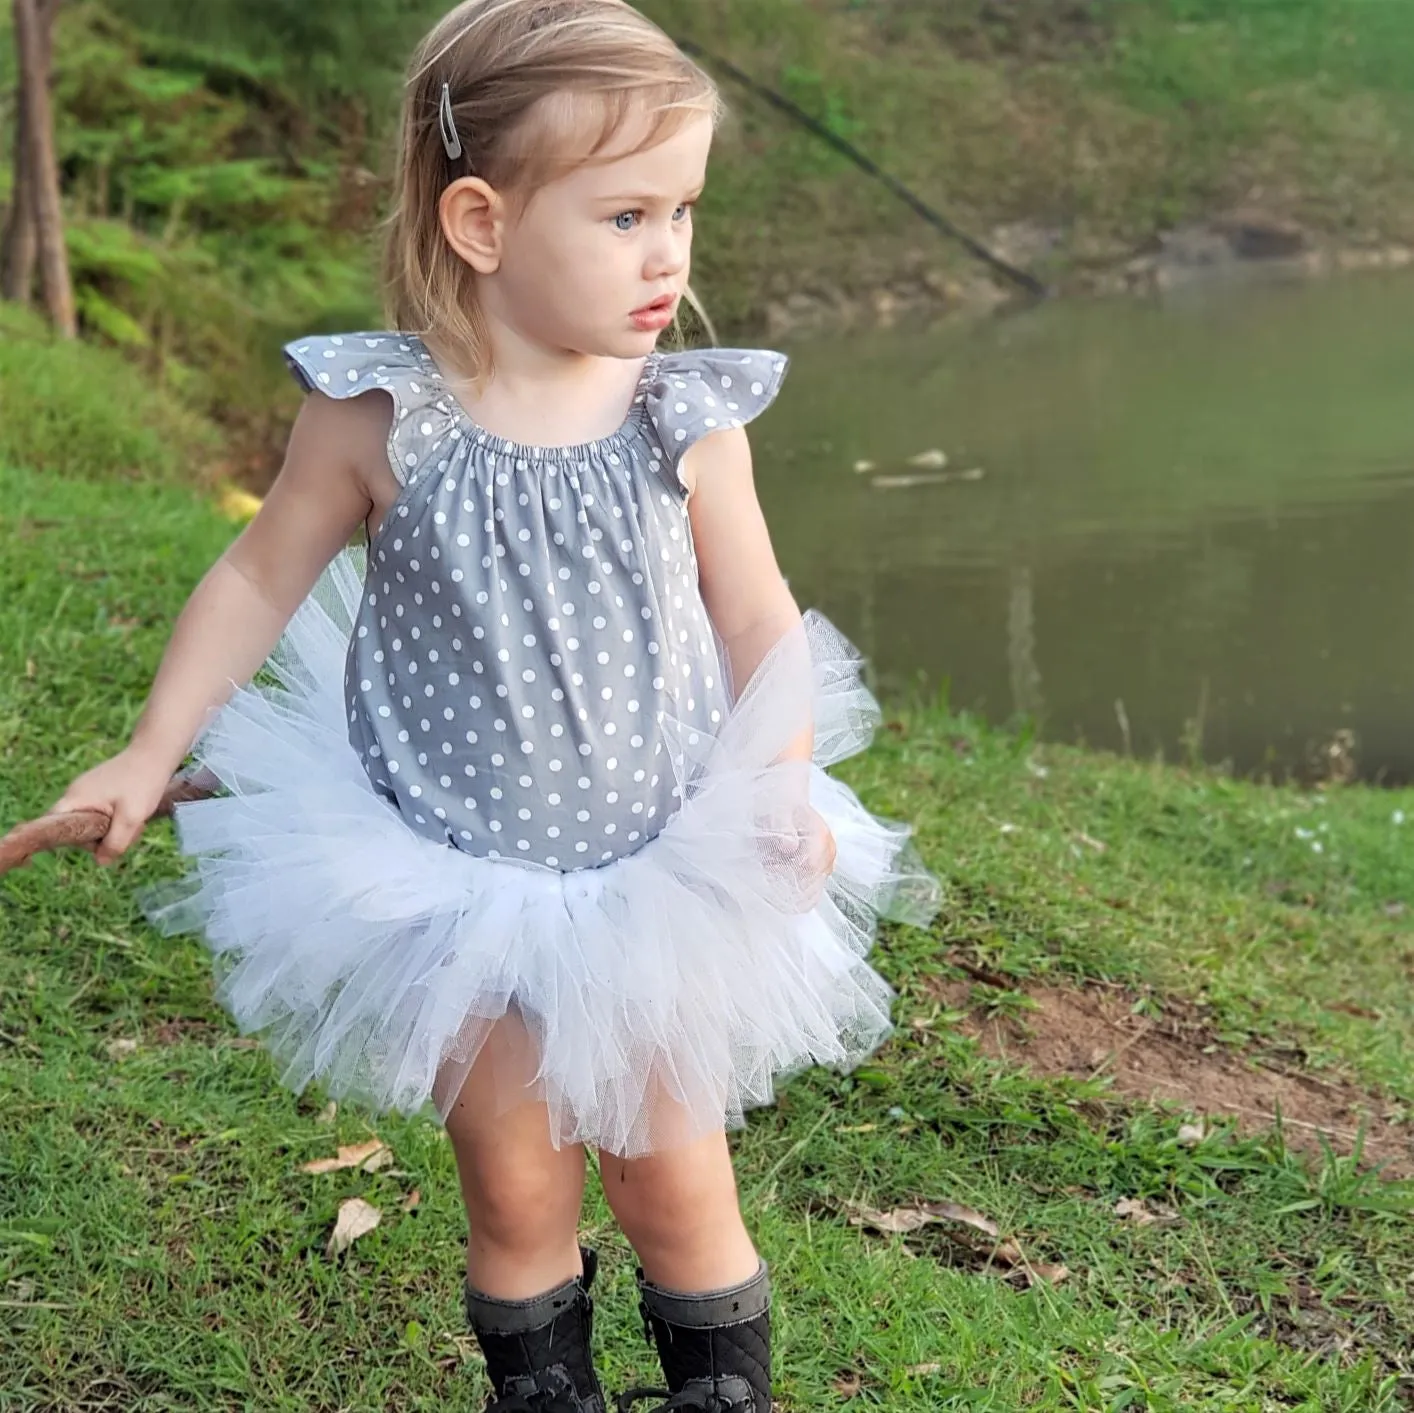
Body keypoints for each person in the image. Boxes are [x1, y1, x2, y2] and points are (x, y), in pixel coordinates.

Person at [52, 3, 938, 1409]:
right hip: (444, 879)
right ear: (479, 220)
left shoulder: (681, 416)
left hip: (656, 871)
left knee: (671, 1182)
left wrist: (776, 778)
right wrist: (151, 748)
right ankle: (541, 1392)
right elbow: (255, 575)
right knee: (520, 1199)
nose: (669, 255)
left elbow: (759, 616)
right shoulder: (376, 411)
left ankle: (725, 1393)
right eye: (626, 214)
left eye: (684, 210)